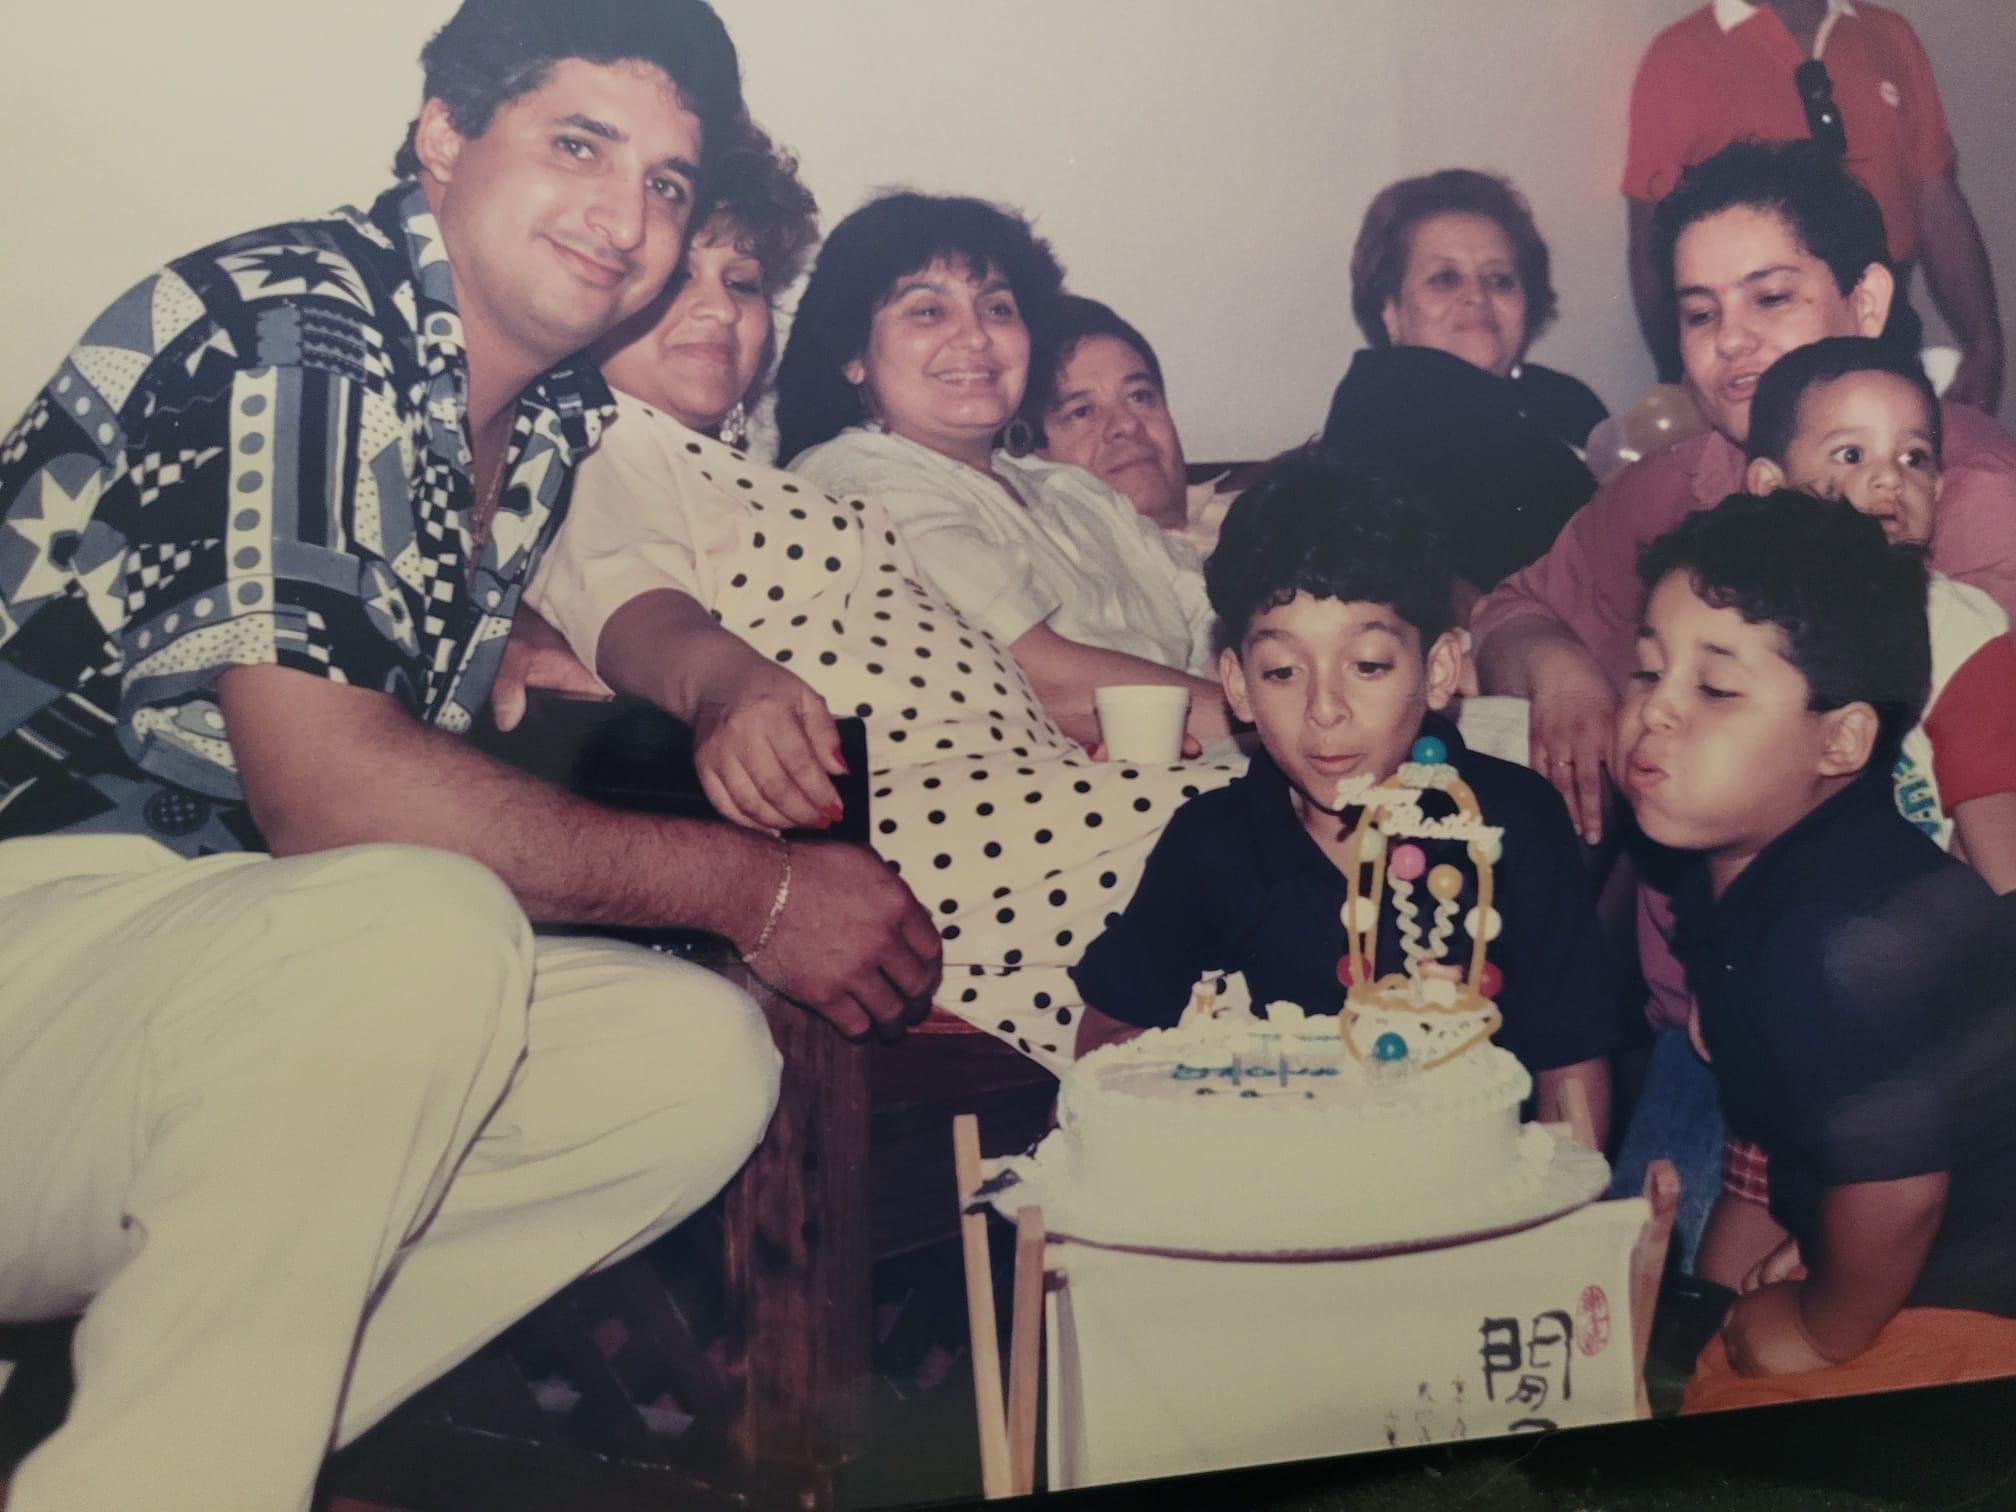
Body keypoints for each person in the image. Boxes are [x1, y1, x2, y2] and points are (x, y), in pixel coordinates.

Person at [0, 4, 942, 1508]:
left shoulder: (542, 410)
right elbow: (334, 793)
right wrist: (755, 891)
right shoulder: (304, 322)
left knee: (688, 1063)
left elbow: (617, 612)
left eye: (670, 183)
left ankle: (132, 1450)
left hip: (185, 971)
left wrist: (675, 677)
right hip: (40, 933)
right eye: (581, 144)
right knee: (417, 918)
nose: (629, 216)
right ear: (443, 132)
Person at [1474, 138, 2016, 851]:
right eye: (1701, 313)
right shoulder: (1680, 479)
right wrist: (1560, 669)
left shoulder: (1963, 502)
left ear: (1867, 302)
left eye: (1771, 297)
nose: (1732, 339)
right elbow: (1509, 610)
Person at [1069, 451, 1616, 1139]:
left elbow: (1570, 1064)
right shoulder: (1211, 844)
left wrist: (1561, 1217)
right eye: (1281, 671)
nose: (1325, 709)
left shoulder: (1513, 824)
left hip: (1469, 1197)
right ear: (1236, 685)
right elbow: (1109, 1031)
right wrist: (1198, 1078)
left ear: (1440, 667)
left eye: (1368, 665)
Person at [1612, 492, 2016, 1408]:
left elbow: (1904, 1197)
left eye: (1715, 690)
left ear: (1841, 739)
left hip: (1978, 1310)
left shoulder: (1838, 939)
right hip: (1902, 1253)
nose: (1655, 713)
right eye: (1645, 672)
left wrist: (1821, 1323)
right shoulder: (1772, 884)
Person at [773, 192, 1231, 751]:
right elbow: (1046, 681)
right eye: (927, 309)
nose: (976, 337)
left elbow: (1219, 617)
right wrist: (1280, 726)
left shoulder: (1067, 489)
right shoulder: (854, 480)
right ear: (853, 356)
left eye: (997, 308)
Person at [1621, 0, 2003, 412]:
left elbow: (1937, 199)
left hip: (1884, 323)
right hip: (1758, 338)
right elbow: (1652, 238)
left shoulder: (1887, 35)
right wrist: (1680, 376)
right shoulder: (1680, 55)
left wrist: (1983, 343)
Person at [1745, 337, 2016, 889]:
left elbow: (1998, 839)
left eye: (1914, 457)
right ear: (1769, 488)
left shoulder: (1957, 628)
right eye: (1852, 455)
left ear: (1939, 491)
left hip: (1920, 923)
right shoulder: (1733, 614)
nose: (1892, 478)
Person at [1321, 169, 1609, 598]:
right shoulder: (1379, 402)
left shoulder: (1562, 396)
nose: (1476, 295)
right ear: (1390, 311)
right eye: (1445, 278)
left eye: (1499, 280)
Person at [592, 121, 817, 454]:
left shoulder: (801, 502)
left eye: (740, 284)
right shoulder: (531, 481)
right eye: (678, 276)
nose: (723, 310)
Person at [1021, 294, 1242, 559]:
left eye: (1139, 396)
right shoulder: (1047, 582)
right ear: (1031, 461)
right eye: (1081, 412)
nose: (1127, 424)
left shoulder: (1274, 512)